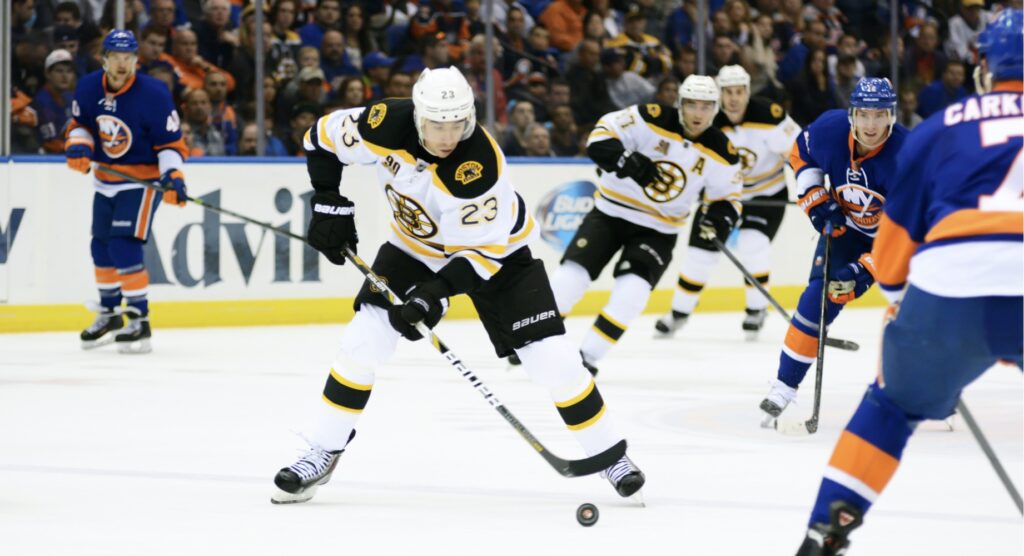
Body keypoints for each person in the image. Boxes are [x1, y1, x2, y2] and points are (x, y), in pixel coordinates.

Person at [270, 67, 645, 504]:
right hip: (414, 248)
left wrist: (431, 297)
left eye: (456, 125)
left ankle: (609, 456)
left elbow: (479, 257)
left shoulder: (478, 166)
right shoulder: (383, 123)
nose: (447, 137)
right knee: (361, 342)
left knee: (553, 362)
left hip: (499, 256)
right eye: (436, 126)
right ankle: (322, 449)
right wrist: (328, 201)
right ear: (417, 118)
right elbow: (320, 140)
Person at [795, 11, 1023, 555]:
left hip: (950, 292)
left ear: (984, 66)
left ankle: (827, 530)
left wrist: (903, 307)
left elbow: (895, 238)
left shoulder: (942, 126)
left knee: (890, 409)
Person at [546, 75, 742, 374]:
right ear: (680, 103)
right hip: (610, 213)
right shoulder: (648, 118)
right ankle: (537, 341)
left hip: (659, 229)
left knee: (632, 294)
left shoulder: (723, 151)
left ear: (716, 109)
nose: (698, 113)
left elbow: (728, 199)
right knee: (569, 277)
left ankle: (587, 358)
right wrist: (626, 160)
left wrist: (717, 220)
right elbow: (599, 139)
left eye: (706, 106)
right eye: (692, 105)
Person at [758, 77, 908, 426]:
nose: (871, 125)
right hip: (846, 230)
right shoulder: (828, 129)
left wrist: (865, 271)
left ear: (892, 117)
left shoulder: (907, 158)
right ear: (852, 114)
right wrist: (815, 198)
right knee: (817, 299)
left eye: (880, 115)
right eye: (865, 115)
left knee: (921, 314)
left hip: (903, 241)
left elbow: (909, 232)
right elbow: (801, 152)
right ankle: (783, 386)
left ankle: (936, 390)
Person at [65, 30, 188, 354]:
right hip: (105, 180)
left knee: (123, 245)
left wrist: (172, 175)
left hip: (142, 182)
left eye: (128, 58)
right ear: (104, 59)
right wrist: (79, 146)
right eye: (116, 58)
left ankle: (138, 319)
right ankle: (109, 313)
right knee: (101, 247)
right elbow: (81, 125)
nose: (122, 64)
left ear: (136, 59)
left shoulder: (154, 93)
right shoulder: (88, 87)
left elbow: (170, 143)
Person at [655, 65, 802, 339]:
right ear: (718, 94)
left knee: (752, 243)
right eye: (727, 92)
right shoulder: (706, 118)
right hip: (722, 195)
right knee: (700, 254)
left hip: (766, 195)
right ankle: (678, 313)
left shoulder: (770, 116)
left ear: (748, 92)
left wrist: (809, 186)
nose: (733, 98)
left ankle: (756, 309)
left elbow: (799, 153)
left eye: (739, 91)